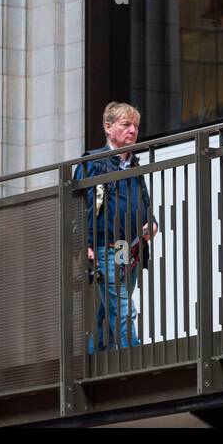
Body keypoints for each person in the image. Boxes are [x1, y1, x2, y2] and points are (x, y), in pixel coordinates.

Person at [75, 102, 157, 351]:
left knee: (111, 305)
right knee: (122, 306)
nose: (133, 130)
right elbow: (77, 207)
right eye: (126, 124)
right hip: (104, 246)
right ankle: (134, 357)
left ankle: (93, 358)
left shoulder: (134, 165)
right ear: (108, 127)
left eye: (136, 126)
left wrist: (151, 223)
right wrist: (83, 244)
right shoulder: (93, 162)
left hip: (127, 247)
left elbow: (144, 203)